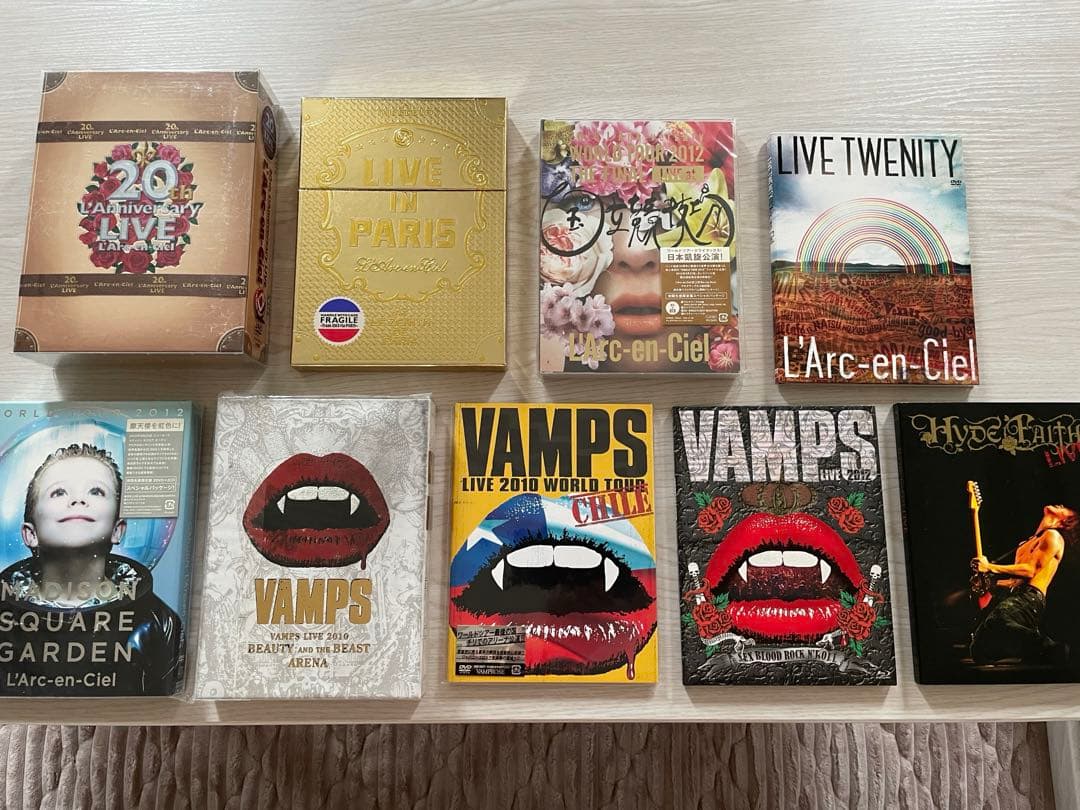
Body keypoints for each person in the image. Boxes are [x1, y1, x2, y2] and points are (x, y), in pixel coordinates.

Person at [0, 443, 183, 695]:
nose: (78, 500)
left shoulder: (156, 622)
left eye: (96, 491)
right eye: (59, 492)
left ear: (118, 530)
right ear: (30, 534)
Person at [970, 504, 1078, 666]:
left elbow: (1030, 570)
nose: (1061, 505)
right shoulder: (1025, 544)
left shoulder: (1053, 536)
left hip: (1030, 598)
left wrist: (989, 567)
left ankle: (1054, 649)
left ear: (1064, 522)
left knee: (998, 620)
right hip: (1016, 597)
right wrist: (989, 583)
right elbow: (1015, 582)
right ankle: (1035, 651)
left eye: (1064, 509)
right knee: (978, 650)